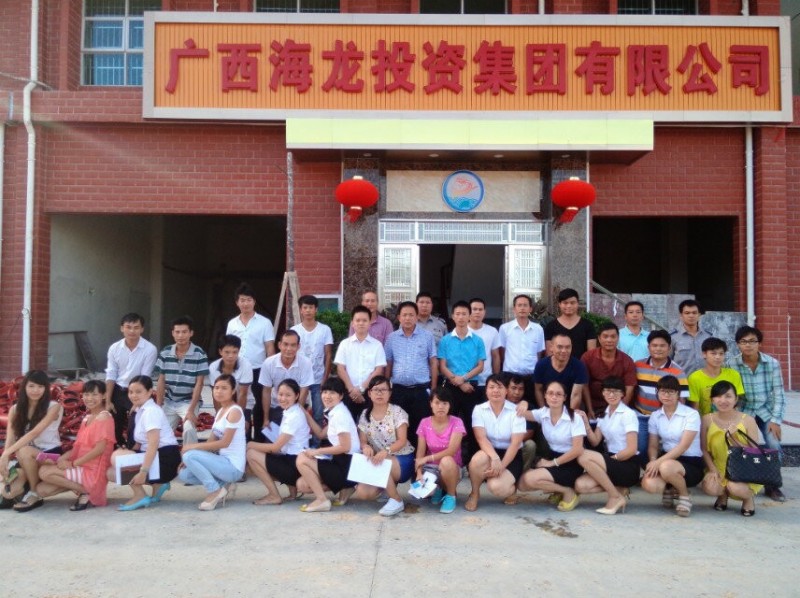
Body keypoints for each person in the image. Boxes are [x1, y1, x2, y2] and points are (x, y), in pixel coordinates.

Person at [728, 325, 787, 502]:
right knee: (740, 445)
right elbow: (730, 393)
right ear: (738, 344)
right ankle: (742, 478)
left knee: (773, 443)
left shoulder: (772, 363)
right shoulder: (731, 364)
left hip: (766, 410)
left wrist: (776, 421)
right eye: (744, 341)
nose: (748, 345)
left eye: (752, 341)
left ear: (759, 343)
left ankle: (772, 485)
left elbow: (779, 394)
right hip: (744, 410)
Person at [36, 380, 115, 510]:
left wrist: (72, 464)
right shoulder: (87, 418)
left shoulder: (104, 417)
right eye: (87, 394)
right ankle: (82, 489)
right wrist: (61, 460)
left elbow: (99, 449)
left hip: (93, 471)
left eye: (94, 394)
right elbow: (78, 447)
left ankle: (86, 491)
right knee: (42, 490)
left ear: (104, 396)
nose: (90, 398)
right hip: (81, 466)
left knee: (45, 472)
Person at [345, 376, 415, 517]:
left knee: (381, 463)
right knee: (363, 493)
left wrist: (386, 451)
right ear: (369, 393)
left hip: (401, 458)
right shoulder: (365, 414)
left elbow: (402, 440)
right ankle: (387, 489)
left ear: (390, 393)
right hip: (378, 459)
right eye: (375, 390)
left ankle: (396, 500)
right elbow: (363, 441)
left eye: (383, 390)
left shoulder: (397, 412)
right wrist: (365, 447)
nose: (379, 393)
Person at [109, 375, 180, 511]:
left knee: (117, 457)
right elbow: (140, 443)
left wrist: (142, 471)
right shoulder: (140, 410)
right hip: (155, 455)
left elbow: (153, 444)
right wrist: (128, 456)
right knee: (112, 471)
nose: (133, 395)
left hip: (166, 458)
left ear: (149, 392)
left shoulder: (151, 411)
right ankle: (157, 485)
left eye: (138, 392)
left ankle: (140, 495)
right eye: (131, 392)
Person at [178, 374, 246, 511]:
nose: (219, 391)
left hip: (233, 467)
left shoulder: (235, 411)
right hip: (222, 462)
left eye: (224, 388)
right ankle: (222, 485)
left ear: (233, 391)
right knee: (184, 474)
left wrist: (191, 449)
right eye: (217, 388)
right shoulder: (221, 411)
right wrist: (192, 457)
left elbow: (224, 443)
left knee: (189, 455)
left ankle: (214, 490)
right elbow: (211, 441)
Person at [574, 376, 640, 515]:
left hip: (627, 463)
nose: (611, 394)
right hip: (611, 461)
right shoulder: (604, 414)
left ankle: (615, 497)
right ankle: (619, 490)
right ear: (603, 393)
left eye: (616, 391)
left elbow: (632, 449)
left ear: (623, 394)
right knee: (581, 485)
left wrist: (611, 460)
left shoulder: (628, 414)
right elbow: (595, 441)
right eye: (608, 391)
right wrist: (586, 422)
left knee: (583, 456)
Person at [0, 370, 64, 512]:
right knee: (8, 494)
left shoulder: (53, 407)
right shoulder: (15, 409)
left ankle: (34, 493)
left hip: (50, 455)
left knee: (23, 450)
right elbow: (10, 437)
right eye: (32, 386)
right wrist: (4, 460)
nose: (36, 390)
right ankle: (25, 487)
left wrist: (6, 454)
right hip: (26, 457)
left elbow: (35, 432)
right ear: (24, 387)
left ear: (46, 389)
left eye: (40, 386)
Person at [295, 377, 361, 513]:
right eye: (325, 392)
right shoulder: (335, 411)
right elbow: (320, 434)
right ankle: (347, 488)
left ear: (341, 396)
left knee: (301, 459)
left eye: (332, 393)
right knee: (302, 484)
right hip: (340, 462)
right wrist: (306, 414)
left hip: (347, 466)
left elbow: (345, 447)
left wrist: (317, 452)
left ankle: (322, 500)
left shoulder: (340, 415)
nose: (327, 396)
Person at [517, 381, 586, 512]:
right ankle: (559, 490)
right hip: (553, 459)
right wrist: (524, 403)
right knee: (521, 484)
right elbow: (522, 413)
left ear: (565, 397)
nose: (554, 397)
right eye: (550, 393)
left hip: (571, 462)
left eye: (558, 394)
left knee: (530, 479)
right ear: (545, 395)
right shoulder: (543, 413)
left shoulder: (574, 417)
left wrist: (552, 463)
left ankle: (568, 492)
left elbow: (578, 449)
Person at [640, 375, 704, 517]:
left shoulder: (691, 414)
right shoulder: (655, 416)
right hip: (667, 458)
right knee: (650, 484)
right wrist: (652, 460)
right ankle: (670, 488)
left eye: (671, 392)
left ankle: (684, 495)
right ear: (657, 393)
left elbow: (683, 446)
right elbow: (653, 445)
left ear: (678, 394)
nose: (666, 395)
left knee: (666, 467)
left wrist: (658, 463)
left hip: (690, 462)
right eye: (663, 391)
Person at [464, 375, 526, 512]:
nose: (495, 391)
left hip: (512, 455)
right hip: (490, 451)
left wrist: (501, 466)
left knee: (496, 487)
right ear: (486, 390)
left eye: (500, 387)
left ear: (506, 391)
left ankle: (512, 489)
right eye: (491, 387)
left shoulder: (516, 411)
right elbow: (481, 438)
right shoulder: (479, 409)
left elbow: (515, 444)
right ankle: (474, 493)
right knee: (477, 460)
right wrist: (494, 457)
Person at [700, 380, 762, 516]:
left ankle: (748, 499)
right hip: (719, 466)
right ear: (712, 400)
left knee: (736, 487)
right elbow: (704, 449)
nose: (723, 400)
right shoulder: (707, 419)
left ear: (736, 399)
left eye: (728, 396)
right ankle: (723, 495)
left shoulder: (748, 420)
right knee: (710, 486)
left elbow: (755, 451)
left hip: (744, 468)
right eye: (718, 396)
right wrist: (712, 469)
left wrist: (735, 439)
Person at [246, 379, 310, 505]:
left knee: (251, 454)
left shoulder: (294, 415)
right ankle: (292, 490)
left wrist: (249, 444)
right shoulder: (291, 411)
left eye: (288, 395)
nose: (283, 398)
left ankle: (274, 495)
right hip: (293, 459)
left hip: (295, 464)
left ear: (297, 395)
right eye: (280, 394)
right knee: (264, 453)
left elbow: (275, 448)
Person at [226, 282, 276, 441]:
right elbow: (228, 348)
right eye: (242, 300)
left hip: (258, 370)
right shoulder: (232, 324)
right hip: (237, 370)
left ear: (254, 301)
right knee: (238, 404)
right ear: (237, 302)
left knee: (260, 405)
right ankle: (242, 440)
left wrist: (270, 371)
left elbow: (269, 347)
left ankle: (260, 441)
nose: (245, 303)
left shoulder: (264, 322)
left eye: (249, 300)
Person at [438, 300, 486, 462]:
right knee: (448, 423)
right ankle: (450, 460)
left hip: (471, 387)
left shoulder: (477, 340)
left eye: (464, 314)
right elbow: (442, 366)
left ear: (469, 316)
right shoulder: (445, 340)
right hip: (450, 387)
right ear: (452, 316)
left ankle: (472, 461)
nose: (460, 317)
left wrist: (464, 379)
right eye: (457, 314)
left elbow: (480, 366)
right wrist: (456, 381)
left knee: (473, 424)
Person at [384, 301, 437, 446]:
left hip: (420, 390)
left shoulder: (427, 336)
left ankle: (419, 456)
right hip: (398, 390)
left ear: (417, 316)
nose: (407, 318)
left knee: (420, 427)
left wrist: (433, 388)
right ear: (399, 317)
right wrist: (386, 387)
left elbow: (433, 362)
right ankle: (401, 455)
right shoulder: (392, 338)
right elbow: (389, 363)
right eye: (404, 315)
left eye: (411, 315)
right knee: (398, 425)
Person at [152, 315, 209, 446]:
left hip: (189, 402)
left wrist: (191, 410)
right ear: (172, 333)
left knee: (189, 428)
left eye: (184, 332)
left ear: (191, 333)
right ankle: (164, 457)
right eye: (177, 332)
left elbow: (199, 384)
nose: (180, 335)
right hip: (169, 401)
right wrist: (159, 406)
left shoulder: (199, 354)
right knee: (159, 431)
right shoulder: (165, 352)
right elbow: (161, 381)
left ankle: (190, 456)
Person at [104, 312, 158, 448]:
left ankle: (132, 453)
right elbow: (111, 374)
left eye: (136, 327)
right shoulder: (114, 348)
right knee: (114, 425)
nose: (132, 331)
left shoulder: (150, 349)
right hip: (118, 390)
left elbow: (145, 377)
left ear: (142, 329)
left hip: (137, 391)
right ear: (122, 328)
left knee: (135, 425)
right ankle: (116, 451)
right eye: (128, 327)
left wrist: (138, 402)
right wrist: (108, 400)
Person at [634, 330, 689, 461]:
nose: (658, 349)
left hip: (664, 418)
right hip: (642, 416)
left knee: (666, 449)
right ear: (648, 347)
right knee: (641, 448)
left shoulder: (677, 371)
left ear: (669, 348)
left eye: (662, 346)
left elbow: (681, 400)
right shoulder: (638, 365)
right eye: (654, 345)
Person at [415, 386, 466, 514]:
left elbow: (452, 450)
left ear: (449, 405)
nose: (441, 407)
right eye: (437, 402)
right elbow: (420, 453)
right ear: (431, 404)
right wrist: (419, 473)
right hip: (431, 469)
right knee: (422, 493)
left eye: (445, 403)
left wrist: (428, 458)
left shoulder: (457, 422)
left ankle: (450, 496)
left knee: (446, 460)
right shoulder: (424, 423)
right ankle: (438, 488)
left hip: (451, 468)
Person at [335, 304, 387, 422]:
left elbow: (379, 370)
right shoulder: (345, 344)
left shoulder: (377, 345)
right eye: (357, 320)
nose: (361, 323)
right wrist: (352, 390)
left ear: (369, 323)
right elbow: (340, 368)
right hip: (348, 393)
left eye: (364, 320)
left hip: (369, 394)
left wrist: (362, 389)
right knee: (348, 426)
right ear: (352, 323)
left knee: (369, 426)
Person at [291, 294, 334, 431]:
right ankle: (299, 438)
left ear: (316, 309)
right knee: (296, 412)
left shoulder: (325, 329)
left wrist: (324, 379)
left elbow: (328, 355)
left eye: (311, 307)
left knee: (318, 414)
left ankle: (316, 441)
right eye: (305, 307)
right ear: (300, 310)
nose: (308, 310)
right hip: (298, 379)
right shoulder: (294, 330)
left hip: (318, 379)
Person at [259, 330, 314, 431]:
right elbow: (266, 391)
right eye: (285, 344)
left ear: (298, 346)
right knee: (273, 437)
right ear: (279, 345)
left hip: (299, 406)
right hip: (277, 405)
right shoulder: (268, 363)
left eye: (293, 345)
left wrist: (297, 415)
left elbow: (304, 391)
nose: (289, 349)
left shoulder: (306, 363)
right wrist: (266, 418)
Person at [581, 322, 637, 419]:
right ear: (599, 338)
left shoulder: (627, 361)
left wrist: (619, 411)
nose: (609, 340)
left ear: (618, 338)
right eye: (605, 336)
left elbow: (629, 388)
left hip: (618, 406)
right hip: (593, 406)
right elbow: (584, 385)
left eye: (613, 337)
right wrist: (589, 409)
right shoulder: (588, 357)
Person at [498, 294, 545, 402]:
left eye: (525, 305)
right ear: (514, 309)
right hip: (510, 376)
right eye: (519, 305)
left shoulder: (538, 329)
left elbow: (539, 353)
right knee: (509, 406)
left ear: (530, 309)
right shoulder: (505, 328)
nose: (522, 308)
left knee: (530, 406)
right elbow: (502, 352)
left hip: (531, 376)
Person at [208, 335, 254, 437]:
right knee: (218, 434)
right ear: (220, 351)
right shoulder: (213, 367)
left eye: (234, 352)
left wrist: (240, 417)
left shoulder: (246, 365)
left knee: (243, 432)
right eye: (227, 352)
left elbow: (243, 394)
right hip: (223, 404)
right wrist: (220, 415)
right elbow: (216, 395)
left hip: (243, 404)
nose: (231, 356)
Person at [687, 337, 744, 415]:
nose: (718, 357)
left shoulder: (733, 374)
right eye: (713, 353)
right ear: (704, 354)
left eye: (721, 354)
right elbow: (694, 408)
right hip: (705, 420)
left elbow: (736, 403)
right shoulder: (694, 378)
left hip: (729, 419)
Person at [532, 333, 588, 409]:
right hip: (548, 406)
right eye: (560, 347)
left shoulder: (579, 366)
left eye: (568, 347)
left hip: (569, 407)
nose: (564, 351)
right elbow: (539, 390)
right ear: (551, 347)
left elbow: (576, 395)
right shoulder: (541, 365)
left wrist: (569, 414)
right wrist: (544, 411)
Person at [544, 288, 597, 359]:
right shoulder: (551, 326)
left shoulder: (588, 325)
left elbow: (591, 353)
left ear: (577, 303)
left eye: (572, 303)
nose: (569, 306)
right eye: (565, 303)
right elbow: (550, 354)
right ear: (559, 304)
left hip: (581, 365)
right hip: (558, 365)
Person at [468, 296, 502, 403]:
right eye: (474, 309)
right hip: (466, 381)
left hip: (486, 382)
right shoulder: (461, 331)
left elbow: (495, 356)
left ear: (484, 312)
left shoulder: (492, 331)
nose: (477, 312)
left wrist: (495, 378)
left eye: (480, 309)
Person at [669, 299, 712, 375]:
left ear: (699, 315)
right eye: (687, 313)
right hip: (681, 380)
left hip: (704, 380)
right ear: (681, 316)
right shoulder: (672, 337)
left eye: (694, 313)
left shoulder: (708, 336)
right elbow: (668, 360)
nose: (691, 316)